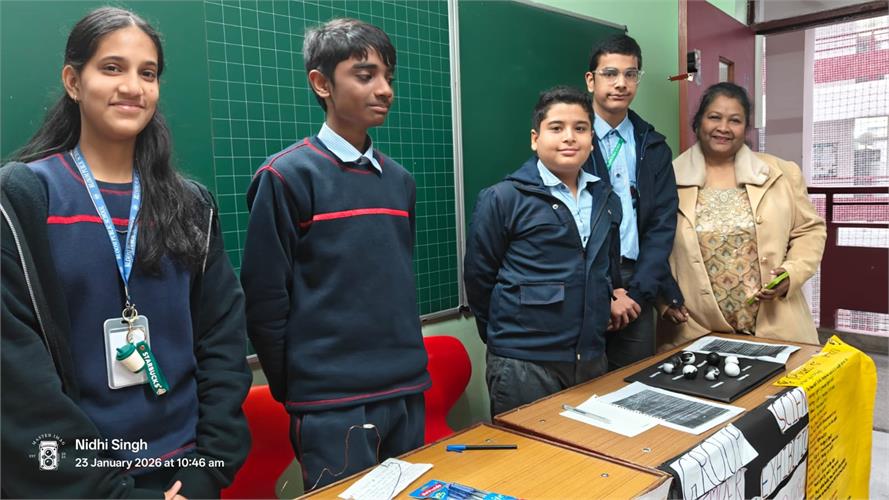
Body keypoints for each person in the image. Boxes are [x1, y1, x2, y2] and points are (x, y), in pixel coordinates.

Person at [0, 7, 251, 499]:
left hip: (186, 472)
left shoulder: (191, 206)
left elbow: (222, 339)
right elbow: (16, 375)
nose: (133, 87)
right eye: (112, 68)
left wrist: (208, 468)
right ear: (73, 81)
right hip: (79, 485)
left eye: (148, 73)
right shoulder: (24, 200)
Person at [240, 18, 429, 491]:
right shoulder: (287, 177)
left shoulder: (399, 181)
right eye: (365, 75)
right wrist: (299, 387)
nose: (384, 90)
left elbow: (394, 281)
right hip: (332, 402)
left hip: (405, 388)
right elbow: (264, 297)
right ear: (322, 83)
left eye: (388, 76)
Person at [464, 86, 622, 417]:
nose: (569, 137)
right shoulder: (503, 198)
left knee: (589, 448)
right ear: (535, 139)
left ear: (592, 140)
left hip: (591, 358)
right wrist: (506, 340)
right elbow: (479, 277)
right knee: (530, 450)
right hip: (524, 363)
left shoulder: (606, 198)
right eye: (556, 128)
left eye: (580, 128)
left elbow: (607, 268)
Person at [659, 82, 826, 348]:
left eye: (734, 120)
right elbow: (650, 244)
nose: (723, 128)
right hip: (695, 327)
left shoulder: (781, 173)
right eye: (714, 117)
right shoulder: (667, 178)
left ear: (746, 127)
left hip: (776, 326)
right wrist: (662, 301)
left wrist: (792, 273)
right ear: (698, 122)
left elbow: (809, 230)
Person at [584, 34, 679, 370]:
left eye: (631, 74)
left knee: (633, 382)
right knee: (583, 385)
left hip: (639, 279)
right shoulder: (571, 138)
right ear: (591, 80)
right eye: (610, 73)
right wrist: (607, 291)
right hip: (587, 279)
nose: (621, 83)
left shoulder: (653, 145)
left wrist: (638, 292)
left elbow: (662, 224)